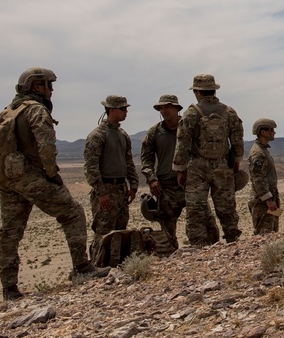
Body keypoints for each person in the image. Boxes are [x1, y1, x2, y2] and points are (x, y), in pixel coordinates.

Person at [0, 67, 108, 301]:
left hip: (8, 178)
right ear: (36, 86)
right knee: (73, 213)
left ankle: (9, 290)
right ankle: (83, 268)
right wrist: (51, 175)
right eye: (48, 84)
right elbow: (46, 147)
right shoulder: (36, 110)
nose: (52, 90)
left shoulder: (10, 110)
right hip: (31, 176)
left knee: (10, 232)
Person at [173, 74, 245, 245]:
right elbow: (237, 141)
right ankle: (233, 240)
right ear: (214, 90)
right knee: (226, 206)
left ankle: (199, 245)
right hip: (222, 166)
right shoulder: (229, 112)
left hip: (197, 167)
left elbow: (182, 143)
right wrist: (235, 163)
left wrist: (180, 169)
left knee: (196, 208)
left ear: (198, 92)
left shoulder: (191, 113)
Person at [139, 94, 218, 249]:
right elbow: (146, 160)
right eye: (161, 108)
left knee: (208, 226)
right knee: (167, 234)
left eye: (167, 107)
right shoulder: (154, 133)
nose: (164, 111)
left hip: (192, 184)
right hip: (166, 188)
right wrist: (151, 179)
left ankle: (212, 255)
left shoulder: (191, 127)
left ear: (177, 108)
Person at [84, 95, 138, 258]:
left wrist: (133, 185)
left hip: (121, 189)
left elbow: (129, 162)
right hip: (106, 189)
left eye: (126, 109)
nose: (126, 112)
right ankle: (96, 266)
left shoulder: (122, 135)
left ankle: (117, 266)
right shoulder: (98, 135)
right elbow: (91, 166)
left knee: (121, 231)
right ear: (112, 110)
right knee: (103, 232)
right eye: (123, 109)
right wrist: (101, 192)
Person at [248, 118, 280, 235]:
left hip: (268, 197)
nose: (274, 132)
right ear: (263, 132)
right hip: (263, 201)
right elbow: (258, 179)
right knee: (264, 235)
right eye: (271, 130)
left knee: (272, 233)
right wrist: (268, 199)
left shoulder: (263, 150)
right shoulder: (258, 153)